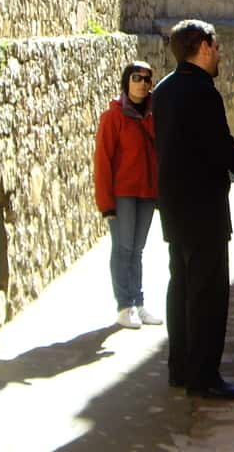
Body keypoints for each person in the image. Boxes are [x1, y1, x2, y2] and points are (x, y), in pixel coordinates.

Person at [153, 19, 234, 401]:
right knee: (207, 293)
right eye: (217, 47)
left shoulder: (163, 89)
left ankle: (181, 367)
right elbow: (217, 143)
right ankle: (204, 374)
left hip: (174, 206)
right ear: (205, 46)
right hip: (203, 207)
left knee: (180, 288)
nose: (220, 54)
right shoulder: (202, 91)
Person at [93, 61, 165, 329]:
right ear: (126, 81)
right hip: (122, 194)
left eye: (147, 79)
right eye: (137, 78)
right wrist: (106, 203)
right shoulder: (113, 118)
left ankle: (139, 302)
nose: (142, 83)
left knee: (137, 249)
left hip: (145, 192)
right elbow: (103, 161)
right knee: (123, 248)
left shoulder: (152, 116)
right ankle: (124, 305)